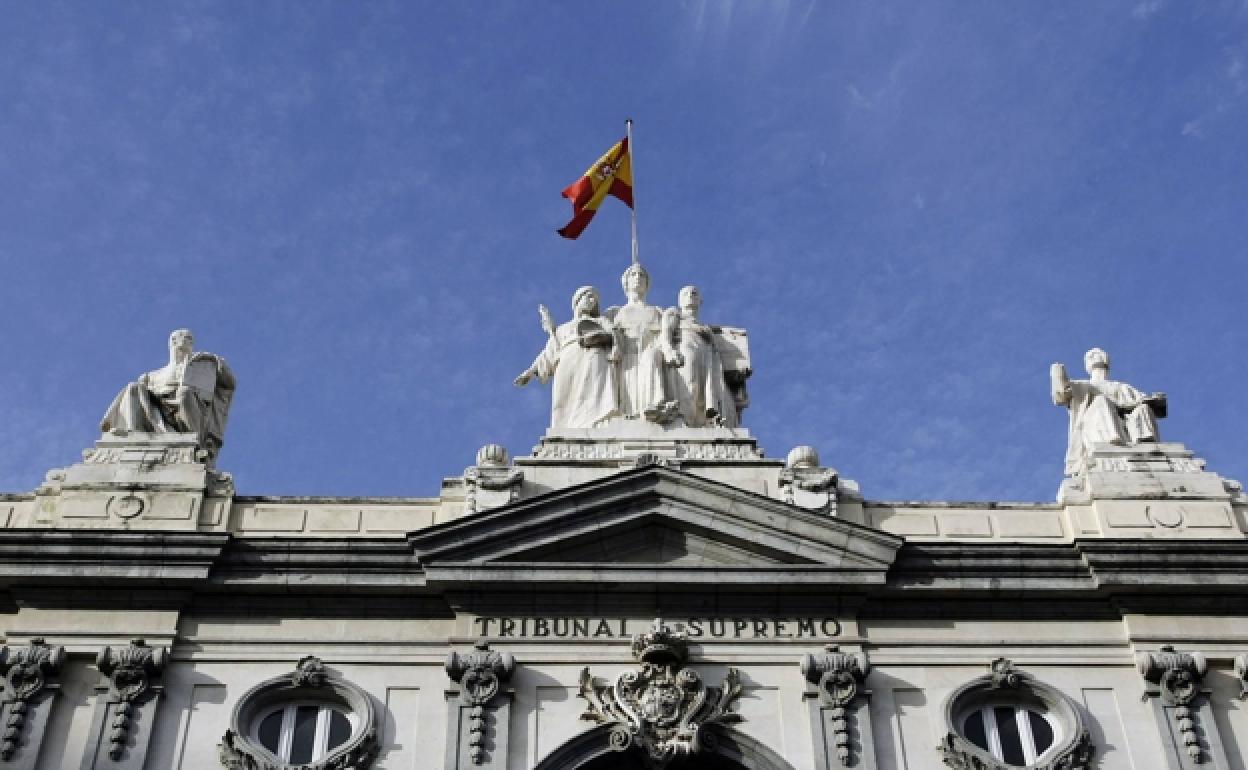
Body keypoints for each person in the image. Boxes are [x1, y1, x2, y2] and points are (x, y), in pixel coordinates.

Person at [100, 329, 236, 463]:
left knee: (184, 392)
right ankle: (132, 431)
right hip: (155, 413)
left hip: (187, 415)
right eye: (181, 337)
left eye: (189, 338)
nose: (185, 340)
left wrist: (216, 362)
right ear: (172, 342)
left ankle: (196, 444)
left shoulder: (202, 370)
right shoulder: (152, 376)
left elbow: (228, 384)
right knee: (133, 387)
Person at [515, 287, 621, 429]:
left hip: (594, 358)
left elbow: (615, 336)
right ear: (578, 300)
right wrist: (529, 372)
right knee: (563, 398)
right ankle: (564, 430)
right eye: (588, 297)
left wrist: (602, 338)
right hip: (568, 360)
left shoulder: (601, 321)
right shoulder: (562, 329)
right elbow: (548, 353)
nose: (592, 301)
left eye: (594, 300)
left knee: (594, 395)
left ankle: (598, 427)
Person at [1051, 347, 1165, 476]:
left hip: (1125, 420)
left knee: (1143, 407)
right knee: (1101, 401)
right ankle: (1112, 442)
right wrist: (1057, 373)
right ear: (1087, 364)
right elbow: (1061, 395)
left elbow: (1145, 401)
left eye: (1099, 354)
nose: (1096, 356)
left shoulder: (1122, 386)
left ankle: (1146, 444)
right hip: (1095, 422)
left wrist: (1155, 399)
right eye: (1091, 355)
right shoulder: (1081, 385)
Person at [605, 263, 681, 423]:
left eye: (642, 275)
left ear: (647, 283)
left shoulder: (657, 311)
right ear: (626, 283)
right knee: (629, 397)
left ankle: (655, 406)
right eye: (633, 274)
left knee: (652, 357)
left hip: (652, 357)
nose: (638, 278)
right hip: (626, 360)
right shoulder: (616, 313)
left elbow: (666, 335)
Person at [668, 286, 739, 428]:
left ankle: (701, 422)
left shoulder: (704, 326)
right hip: (686, 349)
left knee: (705, 391)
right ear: (680, 301)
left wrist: (709, 337)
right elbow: (666, 333)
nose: (690, 295)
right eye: (686, 294)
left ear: (700, 301)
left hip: (706, 354)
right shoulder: (674, 314)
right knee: (689, 384)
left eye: (694, 293)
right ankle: (685, 419)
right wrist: (669, 350)